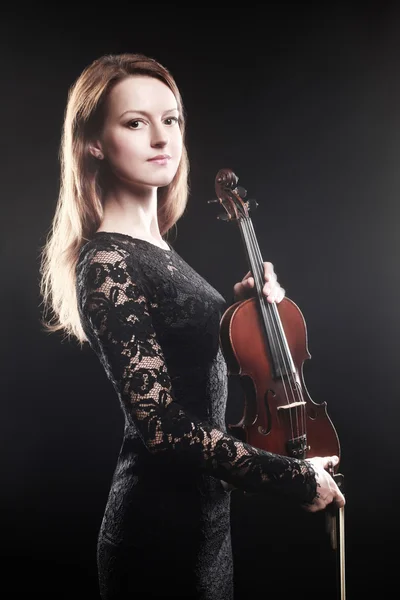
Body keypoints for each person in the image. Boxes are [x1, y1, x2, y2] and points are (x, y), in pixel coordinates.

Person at [39, 53, 345, 600]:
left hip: (205, 528)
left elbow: (198, 382)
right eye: (135, 122)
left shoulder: (157, 250)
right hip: (158, 536)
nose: (162, 137)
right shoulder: (107, 261)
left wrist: (247, 312)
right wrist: (292, 478)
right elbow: (162, 428)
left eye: (172, 119)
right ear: (93, 142)